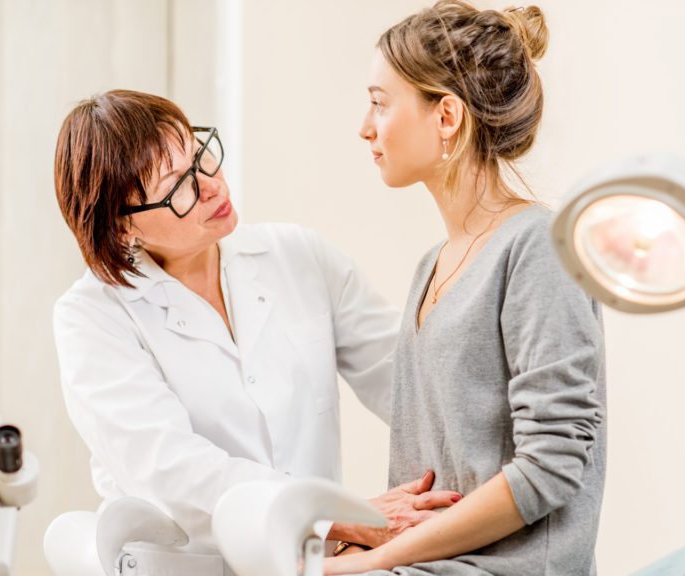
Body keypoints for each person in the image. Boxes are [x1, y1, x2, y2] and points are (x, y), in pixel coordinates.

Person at [51, 90, 459, 569]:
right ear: (123, 228)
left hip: (314, 564)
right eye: (177, 184)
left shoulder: (297, 256)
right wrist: (342, 518)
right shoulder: (93, 317)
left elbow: (411, 386)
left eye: (200, 154)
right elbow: (173, 471)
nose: (211, 185)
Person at [326, 3, 608, 575]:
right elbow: (418, 484)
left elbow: (551, 465)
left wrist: (366, 565)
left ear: (446, 116)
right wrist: (361, 548)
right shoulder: (433, 264)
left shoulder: (540, 245)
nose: (365, 127)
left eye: (380, 103)